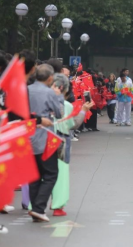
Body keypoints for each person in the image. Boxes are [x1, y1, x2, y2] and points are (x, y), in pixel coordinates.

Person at [50, 73, 92, 217]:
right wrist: (83, 111)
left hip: (42, 139)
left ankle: (35, 206)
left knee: (41, 174)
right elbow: (73, 124)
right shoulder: (65, 105)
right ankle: (58, 206)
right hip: (60, 141)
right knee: (60, 174)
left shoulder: (42, 101)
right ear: (63, 88)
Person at [28, 64, 63, 222]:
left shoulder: (26, 89)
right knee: (50, 174)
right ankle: (38, 207)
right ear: (50, 78)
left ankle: (36, 207)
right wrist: (58, 96)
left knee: (34, 175)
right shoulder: (49, 92)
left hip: (27, 137)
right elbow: (58, 113)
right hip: (44, 137)